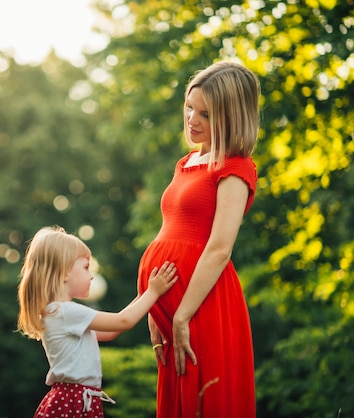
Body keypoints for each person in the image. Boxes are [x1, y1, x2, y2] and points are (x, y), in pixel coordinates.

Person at [136, 61, 260, 417]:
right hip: (170, 306)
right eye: (190, 107)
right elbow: (169, 231)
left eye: (205, 113)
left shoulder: (235, 168)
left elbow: (220, 248)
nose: (192, 119)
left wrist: (181, 316)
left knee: (203, 400)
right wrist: (153, 308)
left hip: (201, 304)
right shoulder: (186, 161)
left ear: (230, 116)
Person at [17, 226, 178, 418]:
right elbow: (123, 321)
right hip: (74, 400)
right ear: (64, 273)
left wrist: (144, 294)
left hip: (76, 398)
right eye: (86, 267)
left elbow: (111, 331)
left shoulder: (58, 313)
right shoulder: (66, 311)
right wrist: (153, 292)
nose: (91, 275)